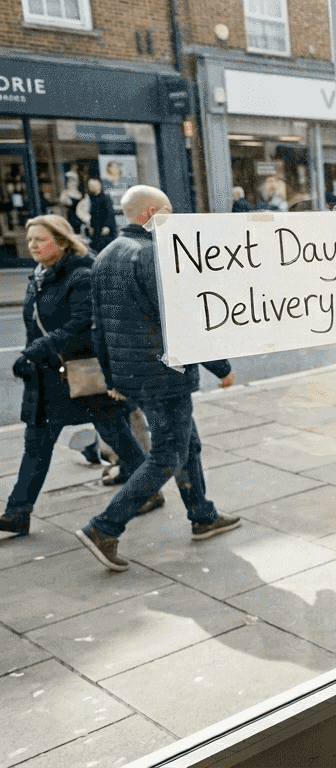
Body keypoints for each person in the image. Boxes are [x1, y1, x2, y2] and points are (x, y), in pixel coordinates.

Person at [75, 185, 240, 572]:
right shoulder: (153, 254)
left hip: (134, 374)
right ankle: (104, 527)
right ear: (150, 212)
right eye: (167, 210)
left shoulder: (105, 256)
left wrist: (113, 377)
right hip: (165, 375)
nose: (172, 217)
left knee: (188, 443)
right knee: (168, 454)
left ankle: (202, 514)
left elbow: (98, 328)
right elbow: (183, 321)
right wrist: (221, 366)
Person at [0, 216, 151, 538]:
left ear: (63, 241)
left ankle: (146, 490)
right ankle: (17, 513)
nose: (33, 246)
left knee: (116, 432)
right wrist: (33, 357)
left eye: (41, 239)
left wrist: (36, 350)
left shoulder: (80, 276)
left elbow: (83, 327)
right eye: (30, 241)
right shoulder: (39, 276)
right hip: (48, 379)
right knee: (36, 444)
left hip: (83, 374)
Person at [86, 178, 117, 253]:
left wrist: (107, 226)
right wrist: (91, 226)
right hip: (96, 228)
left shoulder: (105, 197)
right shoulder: (92, 198)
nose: (92, 187)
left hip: (106, 228)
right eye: (90, 186)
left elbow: (110, 213)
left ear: (99, 185)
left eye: (94, 185)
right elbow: (92, 214)